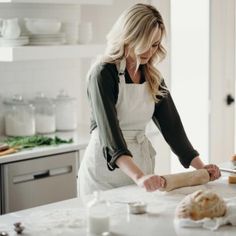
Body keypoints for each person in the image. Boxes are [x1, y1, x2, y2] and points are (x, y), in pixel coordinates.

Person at [78, 3, 221, 196]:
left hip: (140, 169)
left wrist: (201, 168)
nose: (149, 51)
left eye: (155, 45)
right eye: (144, 43)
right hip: (104, 173)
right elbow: (110, 135)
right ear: (128, 37)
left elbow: (173, 129)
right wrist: (139, 177)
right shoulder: (103, 74)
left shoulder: (152, 77)